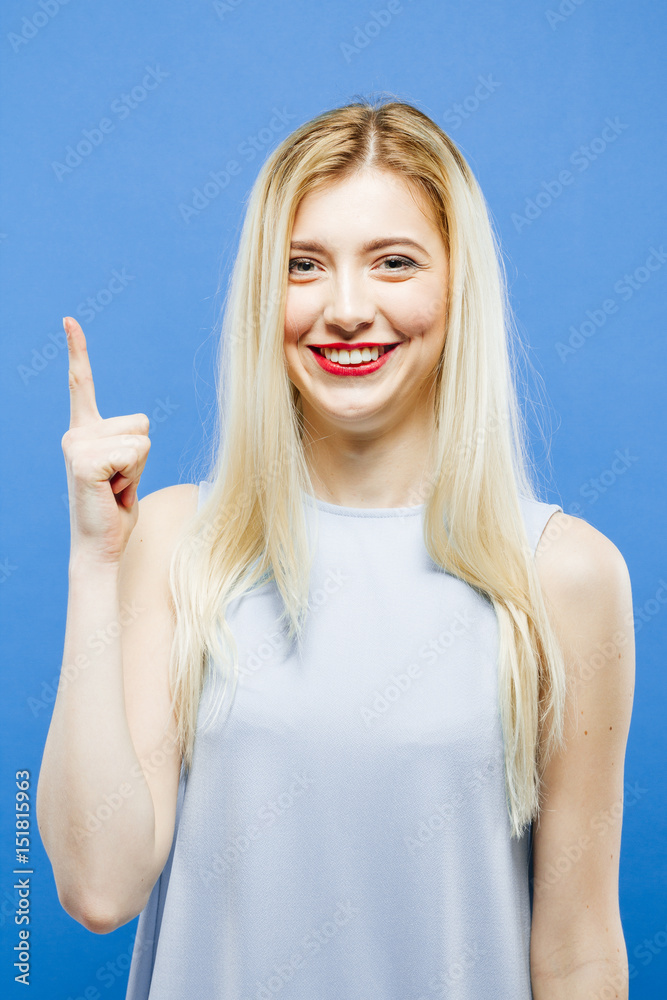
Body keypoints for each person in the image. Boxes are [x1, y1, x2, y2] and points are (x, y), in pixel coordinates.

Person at [36, 96, 635, 999]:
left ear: (456, 287)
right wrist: (95, 563)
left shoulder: (564, 575)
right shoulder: (177, 541)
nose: (347, 310)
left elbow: (579, 948)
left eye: (394, 262)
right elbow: (96, 887)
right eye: (302, 266)